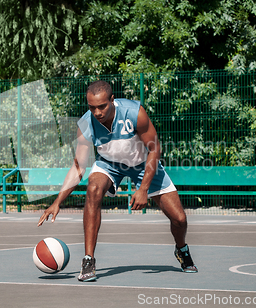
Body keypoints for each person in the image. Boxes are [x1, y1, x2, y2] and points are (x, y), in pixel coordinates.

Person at [37, 80, 197, 282]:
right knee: (93, 189)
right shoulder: (86, 123)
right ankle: (88, 260)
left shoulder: (134, 113)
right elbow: (79, 167)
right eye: (92, 107)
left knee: (180, 219)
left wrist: (143, 188)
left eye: (102, 106)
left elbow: (155, 149)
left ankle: (181, 249)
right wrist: (57, 202)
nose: (97, 112)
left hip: (142, 164)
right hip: (109, 164)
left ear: (112, 100)